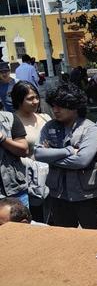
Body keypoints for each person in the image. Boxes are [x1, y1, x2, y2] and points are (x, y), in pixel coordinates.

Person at [35, 83, 97, 229]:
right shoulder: (50, 126)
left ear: (74, 107)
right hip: (58, 195)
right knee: (63, 236)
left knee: (92, 236)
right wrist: (68, 150)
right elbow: (38, 154)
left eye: (60, 106)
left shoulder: (90, 129)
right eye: (53, 106)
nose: (55, 110)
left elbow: (82, 160)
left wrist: (52, 156)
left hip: (86, 196)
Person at [12, 81, 50, 221]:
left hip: (50, 178)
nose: (35, 102)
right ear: (19, 100)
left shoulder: (45, 118)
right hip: (29, 181)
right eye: (30, 99)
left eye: (36, 97)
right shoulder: (12, 122)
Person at [0, 97, 28, 206]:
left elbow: (24, 150)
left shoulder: (10, 118)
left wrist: (2, 139)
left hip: (15, 190)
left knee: (20, 217)